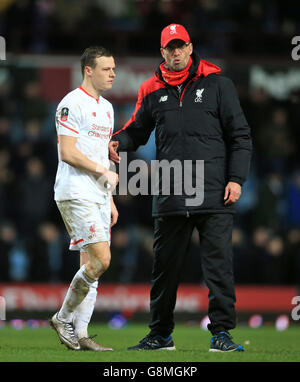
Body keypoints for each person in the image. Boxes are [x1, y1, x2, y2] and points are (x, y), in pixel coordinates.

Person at [109, 24, 252, 352]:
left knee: (218, 267)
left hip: (214, 189)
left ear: (190, 47)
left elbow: (240, 136)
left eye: (180, 46)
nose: (175, 52)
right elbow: (137, 130)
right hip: (171, 191)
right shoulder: (151, 89)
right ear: (162, 52)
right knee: (163, 268)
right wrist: (120, 141)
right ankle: (160, 335)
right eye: (169, 48)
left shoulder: (219, 85)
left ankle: (221, 334)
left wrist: (236, 179)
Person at [49, 46, 119, 351]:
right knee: (101, 259)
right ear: (88, 70)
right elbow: (68, 152)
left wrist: (110, 198)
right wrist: (103, 170)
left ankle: (81, 334)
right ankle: (61, 318)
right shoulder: (71, 103)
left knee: (92, 265)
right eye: (106, 69)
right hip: (75, 192)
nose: (113, 74)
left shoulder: (107, 108)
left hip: (98, 195)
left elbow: (100, 152)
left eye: (114, 68)